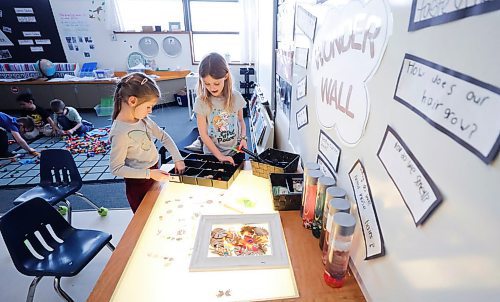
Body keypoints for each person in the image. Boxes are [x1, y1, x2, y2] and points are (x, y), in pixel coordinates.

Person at [109, 72, 185, 213]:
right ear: (132, 101)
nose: (150, 111)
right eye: (148, 106)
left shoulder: (142, 119)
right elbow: (116, 168)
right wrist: (149, 174)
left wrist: (178, 158)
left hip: (154, 170)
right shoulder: (119, 132)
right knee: (145, 216)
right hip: (138, 183)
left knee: (158, 210)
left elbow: (164, 137)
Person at [193, 52, 247, 165]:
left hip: (235, 151)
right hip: (212, 154)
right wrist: (220, 156)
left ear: (226, 76)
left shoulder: (236, 97)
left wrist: (243, 138)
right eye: (207, 84)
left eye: (216, 83)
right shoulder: (201, 102)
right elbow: (203, 134)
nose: (212, 88)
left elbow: (241, 121)